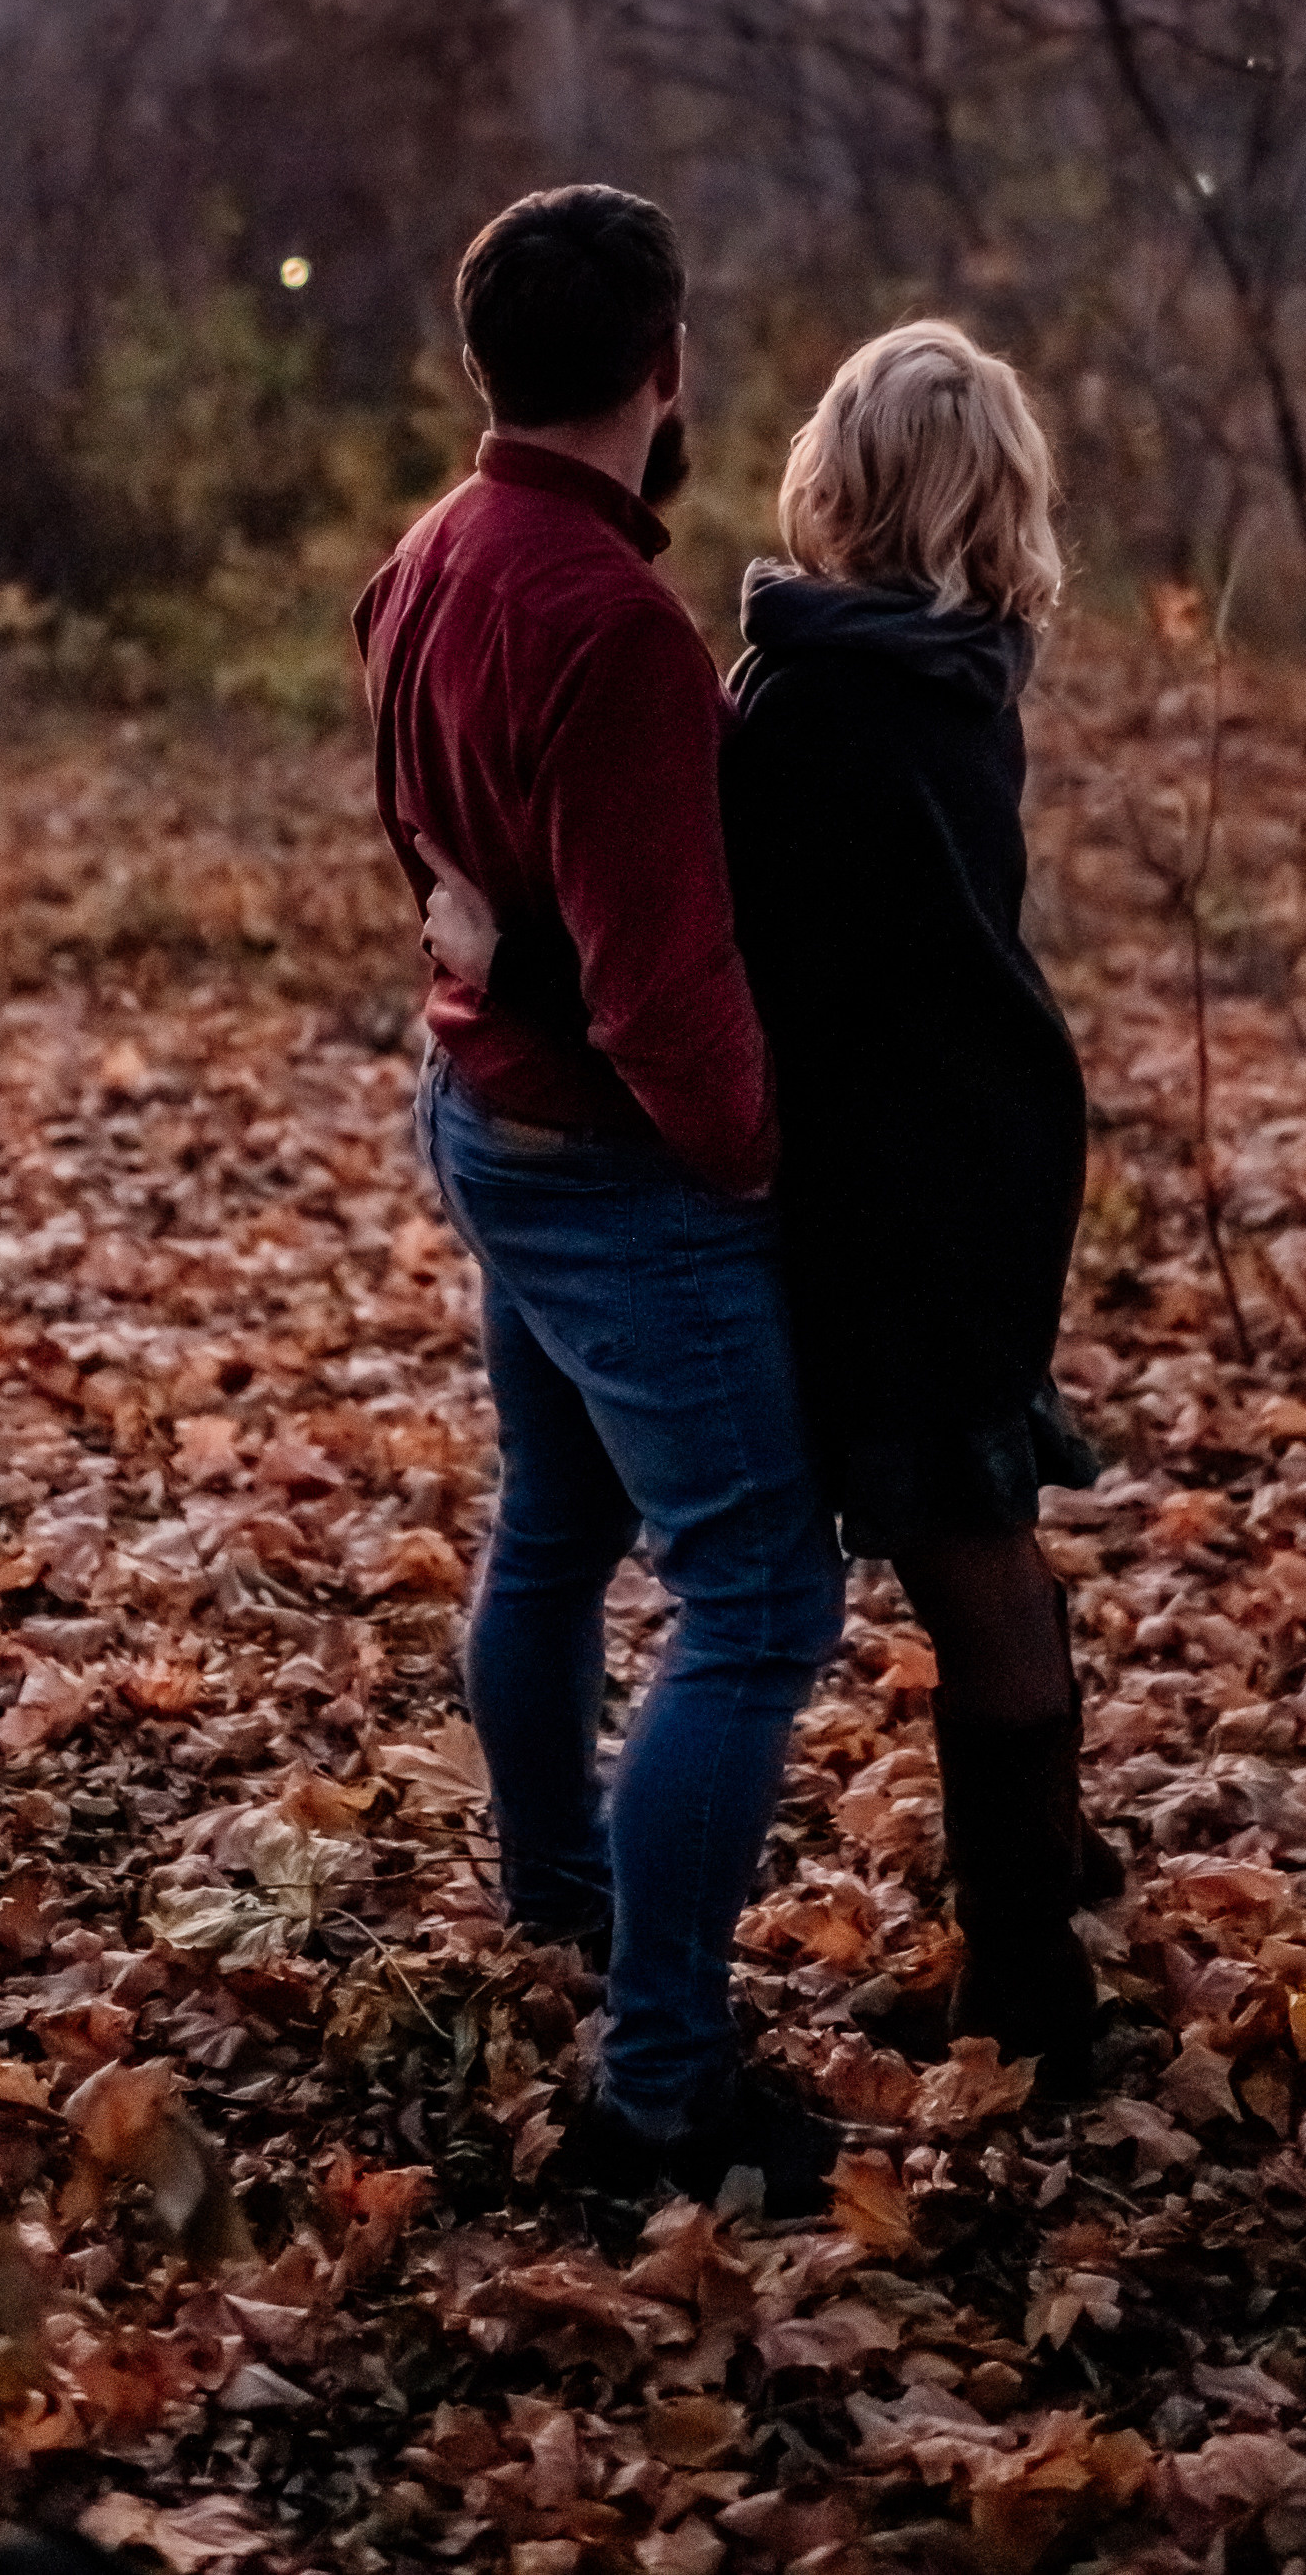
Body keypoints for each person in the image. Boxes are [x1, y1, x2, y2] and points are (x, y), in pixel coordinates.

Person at [429, 321, 1111, 2090]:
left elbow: (689, 954)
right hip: (978, 1164)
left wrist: (502, 955)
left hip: (904, 1201)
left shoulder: (819, 703)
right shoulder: (957, 664)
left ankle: (1029, 1979)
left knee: (967, 1565)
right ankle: (1037, 1901)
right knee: (985, 1550)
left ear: (838, 478)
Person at [352, 181, 846, 2217]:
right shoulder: (623, 630)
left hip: (484, 1112)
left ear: (486, 365)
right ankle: (661, 2083)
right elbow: (664, 986)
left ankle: (556, 1894)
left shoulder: (425, 555)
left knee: (556, 1525)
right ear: (661, 367)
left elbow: (444, 853)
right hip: (612, 1172)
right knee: (754, 1600)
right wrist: (751, 1156)